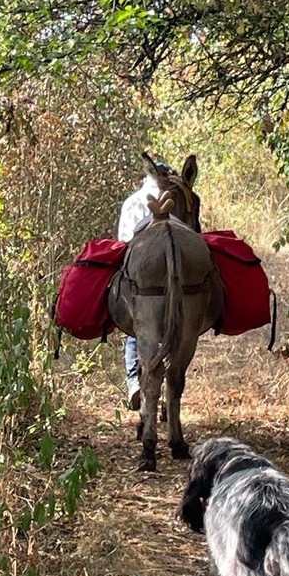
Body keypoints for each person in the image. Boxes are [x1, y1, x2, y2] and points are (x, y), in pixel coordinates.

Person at [117, 166, 164, 410]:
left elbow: (123, 242)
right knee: (170, 332)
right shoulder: (173, 201)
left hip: (137, 279)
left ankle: (134, 382)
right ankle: (163, 388)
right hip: (169, 280)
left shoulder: (131, 202)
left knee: (135, 330)